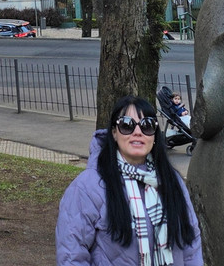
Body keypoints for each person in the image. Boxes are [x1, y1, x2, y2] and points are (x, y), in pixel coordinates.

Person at [56, 95, 202, 266]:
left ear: (154, 135)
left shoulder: (172, 181)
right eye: (127, 125)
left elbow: (191, 245)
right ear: (114, 133)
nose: (138, 132)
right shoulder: (87, 187)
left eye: (147, 126)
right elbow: (71, 256)